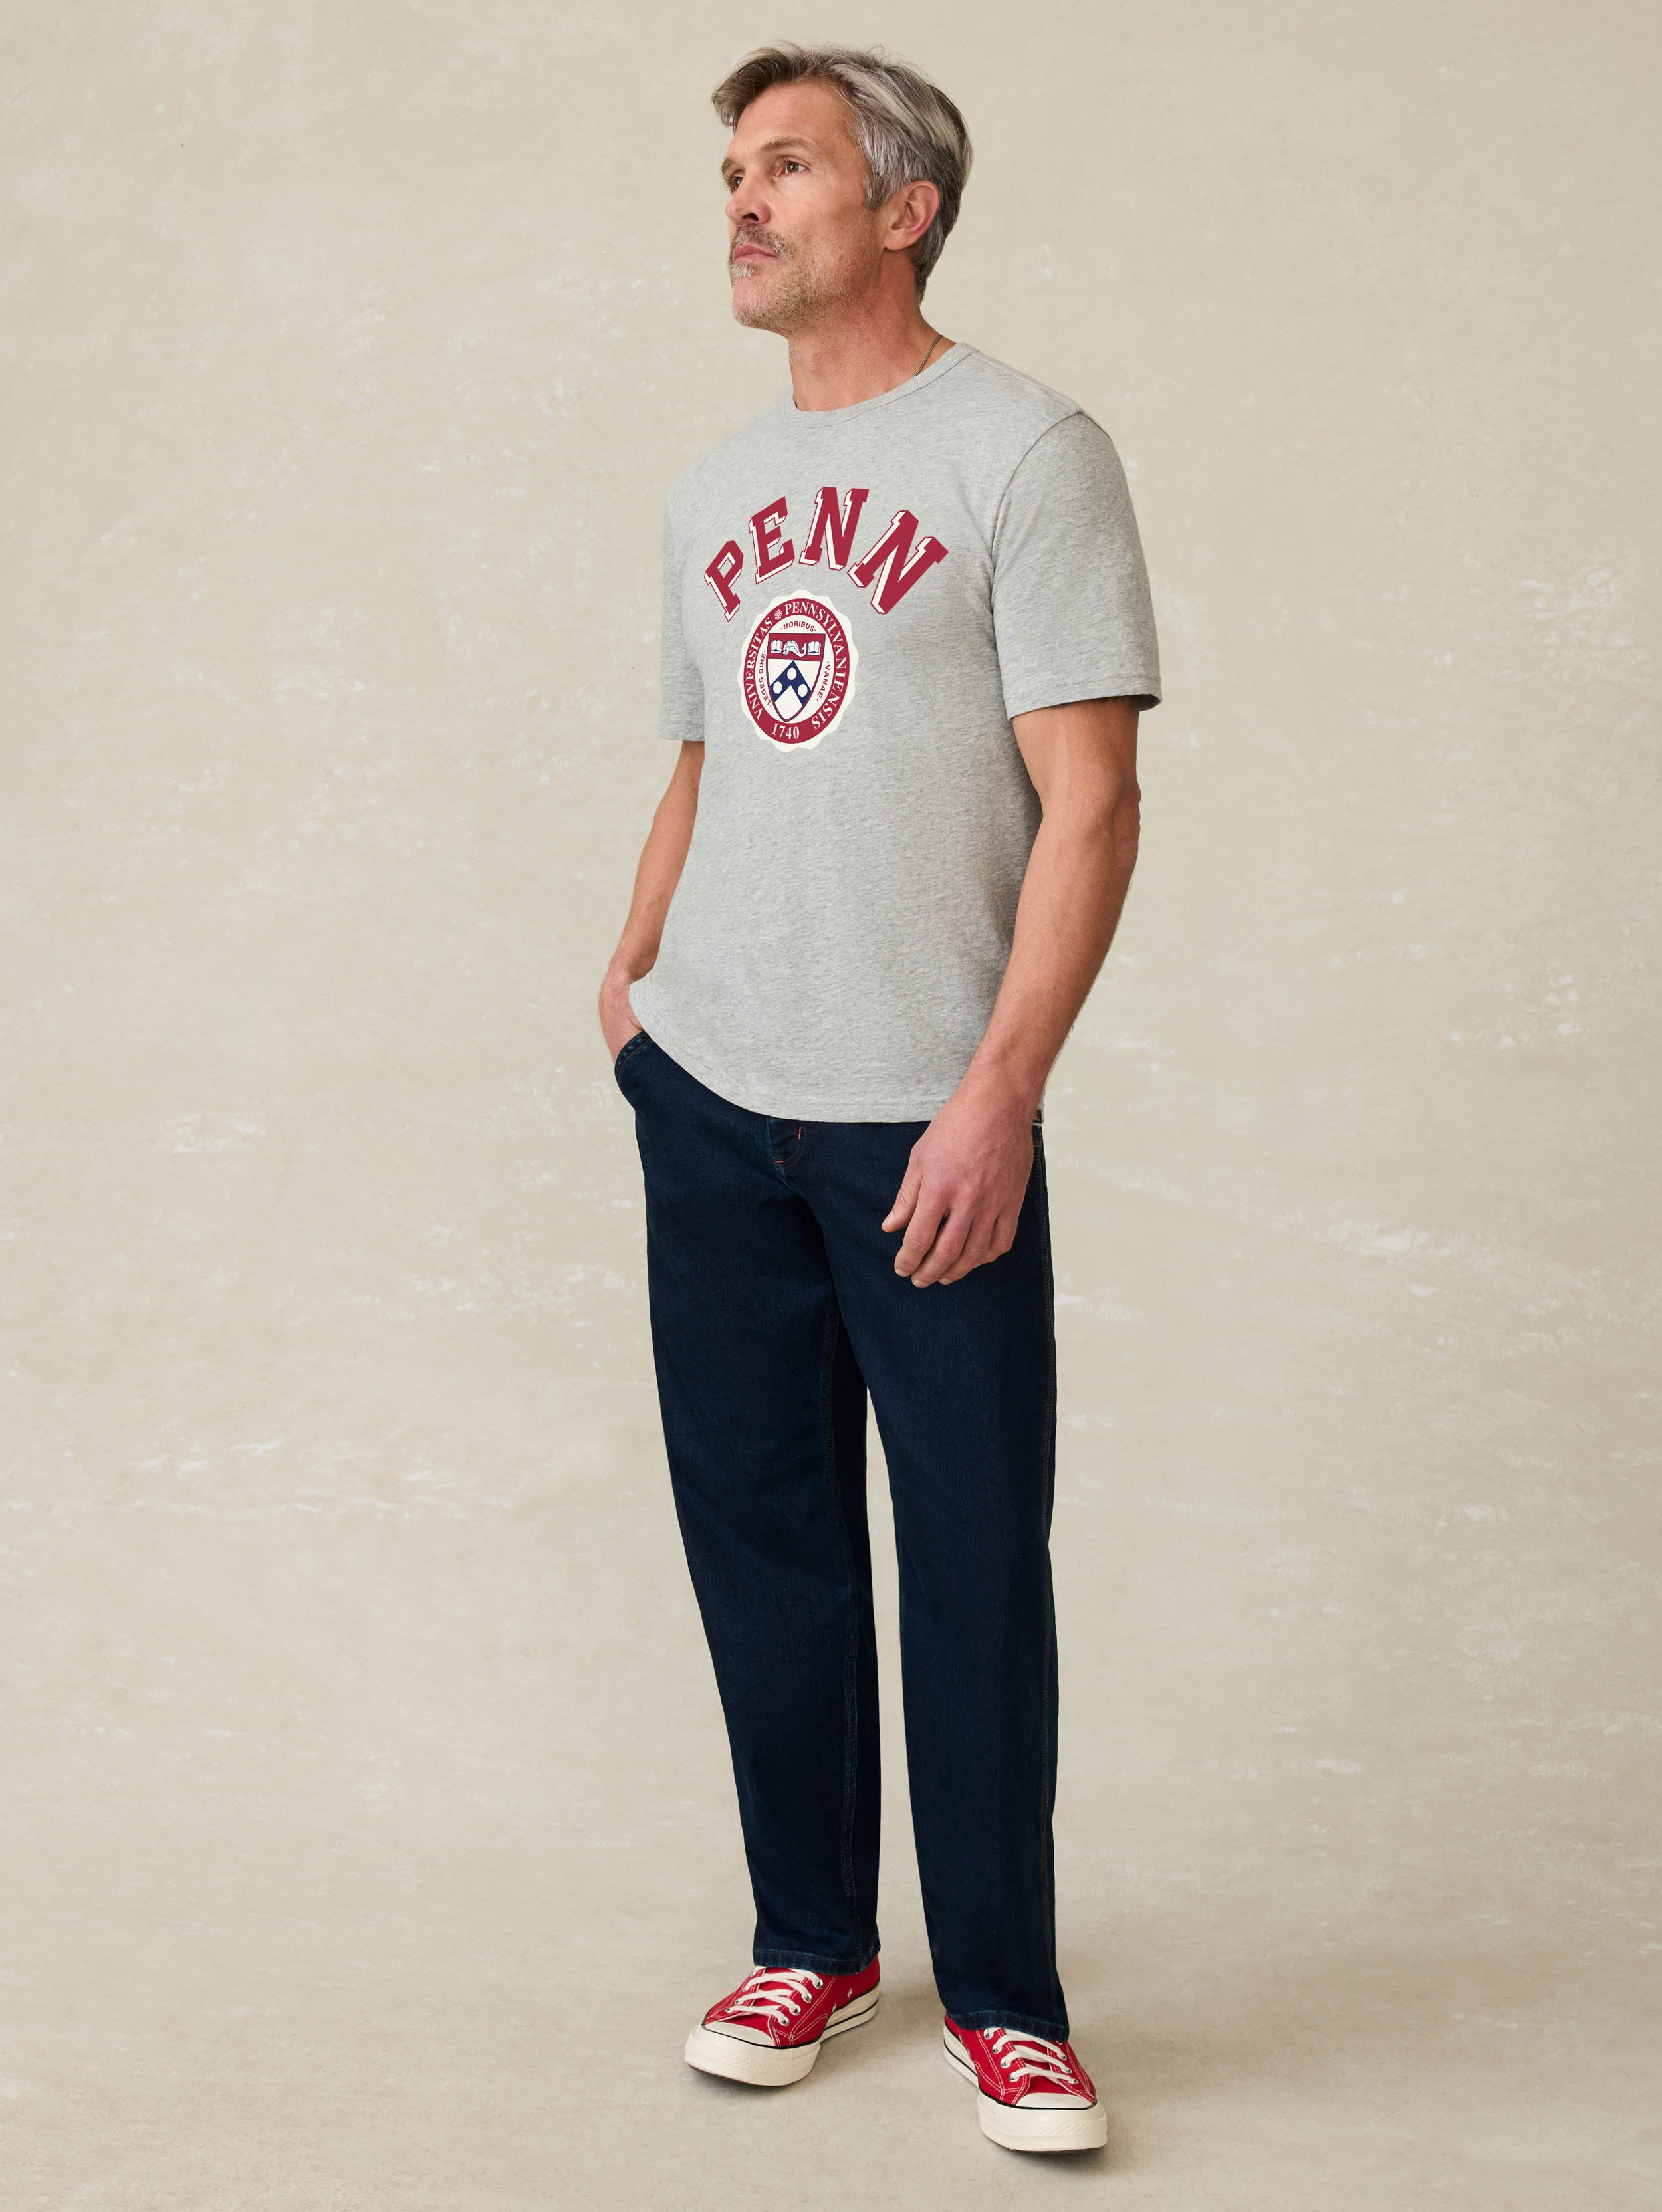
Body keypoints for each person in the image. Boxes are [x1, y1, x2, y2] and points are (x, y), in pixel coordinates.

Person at [598, 41, 1159, 2157]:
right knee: (760, 1538)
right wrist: (633, 979)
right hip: (713, 1093)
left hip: (926, 1118)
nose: (739, 204)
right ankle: (812, 1936)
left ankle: (1007, 1998)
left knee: (967, 1554)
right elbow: (703, 751)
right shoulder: (710, 492)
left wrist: (999, 1089)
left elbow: (1091, 803)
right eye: (730, 173)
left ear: (903, 205)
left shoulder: (1027, 451)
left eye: (786, 167)